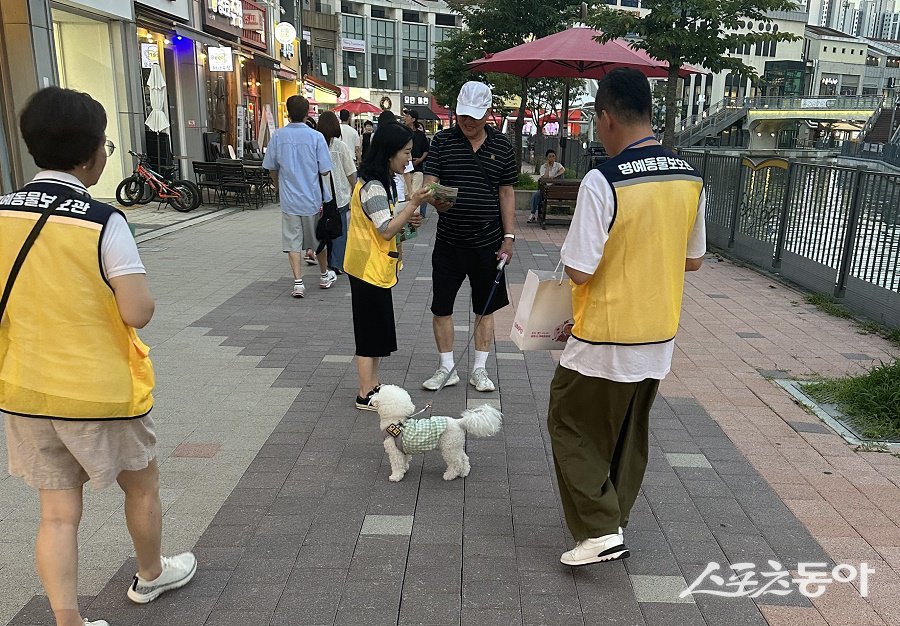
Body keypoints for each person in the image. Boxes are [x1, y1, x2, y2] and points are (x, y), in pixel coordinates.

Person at [0, 87, 196, 626]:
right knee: (142, 486)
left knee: (57, 514)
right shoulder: (102, 221)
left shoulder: (2, 213)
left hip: (26, 388)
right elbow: (137, 311)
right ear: (90, 154)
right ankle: (151, 574)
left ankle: (68, 621)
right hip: (101, 391)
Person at [547, 68, 706, 567]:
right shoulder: (689, 177)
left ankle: (597, 530)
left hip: (605, 335)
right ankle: (612, 522)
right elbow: (694, 259)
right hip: (658, 333)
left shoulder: (604, 179)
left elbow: (578, 269)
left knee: (569, 422)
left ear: (607, 117)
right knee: (628, 434)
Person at [422, 80, 518, 393]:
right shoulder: (442, 141)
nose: (468, 121)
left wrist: (509, 237)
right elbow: (430, 182)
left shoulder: (502, 145)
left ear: (488, 113)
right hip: (449, 240)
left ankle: (480, 369)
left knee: (485, 308)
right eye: (463, 114)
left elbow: (506, 192)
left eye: (474, 116)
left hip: (488, 242)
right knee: (441, 307)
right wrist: (435, 197)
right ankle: (446, 368)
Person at [344, 122, 433, 410]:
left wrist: (408, 219)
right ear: (389, 152)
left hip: (374, 268)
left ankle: (373, 385)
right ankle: (364, 393)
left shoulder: (380, 182)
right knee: (369, 332)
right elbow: (385, 230)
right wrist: (412, 205)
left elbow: (391, 226)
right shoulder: (373, 186)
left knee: (376, 331)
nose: (409, 158)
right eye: (406, 152)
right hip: (366, 269)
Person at [263, 95, 337, 297]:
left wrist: (277, 185)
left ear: (288, 113)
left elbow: (271, 167)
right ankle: (324, 275)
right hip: (312, 199)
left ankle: (298, 282)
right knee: (318, 238)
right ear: (307, 114)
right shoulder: (316, 137)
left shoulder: (278, 136)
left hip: (289, 199)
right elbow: (325, 170)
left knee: (292, 241)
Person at [316, 110, 357, 274]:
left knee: (322, 228)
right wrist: (356, 189)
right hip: (339, 195)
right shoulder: (341, 147)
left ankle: (322, 258)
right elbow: (350, 172)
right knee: (339, 230)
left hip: (319, 195)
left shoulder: (315, 146)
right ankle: (336, 263)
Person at [528, 149, 566, 223]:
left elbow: (563, 170)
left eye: (553, 156)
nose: (552, 158)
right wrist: (548, 166)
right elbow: (545, 177)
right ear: (547, 158)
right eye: (550, 156)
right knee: (535, 195)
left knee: (538, 194)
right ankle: (532, 214)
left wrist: (555, 176)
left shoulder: (558, 165)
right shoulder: (543, 167)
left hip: (555, 190)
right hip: (545, 190)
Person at [402, 108, 430, 204]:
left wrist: (420, 159)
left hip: (418, 168)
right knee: (407, 194)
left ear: (413, 119)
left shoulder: (421, 135)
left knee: (415, 194)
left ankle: (415, 212)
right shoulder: (403, 133)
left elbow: (426, 150)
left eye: (407, 116)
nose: (405, 118)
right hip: (405, 168)